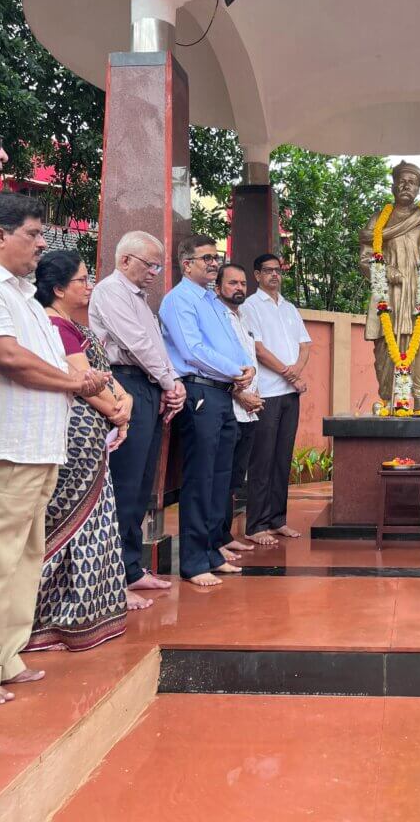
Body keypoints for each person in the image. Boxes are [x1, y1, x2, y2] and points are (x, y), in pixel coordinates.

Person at [0, 194, 109, 706]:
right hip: (13, 445)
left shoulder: (25, 296)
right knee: (2, 555)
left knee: (26, 555)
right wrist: (76, 386)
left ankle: (8, 655)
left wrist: (87, 381)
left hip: (43, 446)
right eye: (32, 234)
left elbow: (56, 363)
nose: (43, 244)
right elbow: (11, 359)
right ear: (1, 234)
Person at [28, 252, 132, 651]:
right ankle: (53, 619)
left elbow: (111, 382)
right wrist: (117, 411)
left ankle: (87, 613)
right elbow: (82, 380)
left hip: (96, 436)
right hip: (77, 435)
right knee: (71, 522)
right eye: (82, 280)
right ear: (57, 289)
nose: (90, 286)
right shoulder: (55, 325)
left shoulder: (73, 324)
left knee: (96, 518)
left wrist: (126, 407)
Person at [89, 231, 185, 609]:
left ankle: (132, 568)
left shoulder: (142, 301)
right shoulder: (110, 292)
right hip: (123, 382)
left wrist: (169, 384)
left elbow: (156, 346)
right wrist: (170, 380)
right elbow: (136, 345)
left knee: (142, 484)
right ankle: (112, 579)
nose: (155, 273)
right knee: (124, 485)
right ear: (125, 260)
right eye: (151, 265)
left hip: (147, 386)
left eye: (159, 266)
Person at [159, 235, 255, 586]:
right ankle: (194, 561)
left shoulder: (213, 302)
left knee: (220, 477)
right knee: (200, 479)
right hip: (199, 391)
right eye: (207, 258)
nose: (214, 263)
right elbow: (193, 349)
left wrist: (246, 368)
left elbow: (231, 344)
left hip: (224, 393)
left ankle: (213, 549)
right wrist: (235, 370)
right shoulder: (179, 300)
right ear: (187, 264)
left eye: (217, 257)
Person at [359, 160, 420, 410]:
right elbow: (365, 258)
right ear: (393, 186)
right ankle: (387, 400)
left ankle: (419, 398)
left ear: (418, 189)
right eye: (401, 181)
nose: (406, 186)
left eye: (411, 182)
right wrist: (385, 270)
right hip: (388, 292)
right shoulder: (379, 219)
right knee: (384, 349)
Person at [242, 253, 311, 543]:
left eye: (278, 271)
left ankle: (277, 519)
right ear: (257, 275)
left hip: (289, 394)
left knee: (282, 457)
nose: (274, 275)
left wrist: (295, 372)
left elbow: (305, 344)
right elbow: (257, 348)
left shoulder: (290, 308)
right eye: (267, 271)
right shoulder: (249, 306)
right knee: (262, 459)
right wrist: (287, 372)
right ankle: (256, 525)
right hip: (267, 393)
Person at [214, 263, 266, 551]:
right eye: (232, 283)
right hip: (230, 406)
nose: (239, 288)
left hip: (249, 412)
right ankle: (216, 539)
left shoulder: (244, 317)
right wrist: (239, 394)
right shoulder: (218, 318)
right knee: (220, 477)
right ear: (219, 286)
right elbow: (219, 364)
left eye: (243, 283)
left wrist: (253, 396)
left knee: (234, 478)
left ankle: (225, 536)